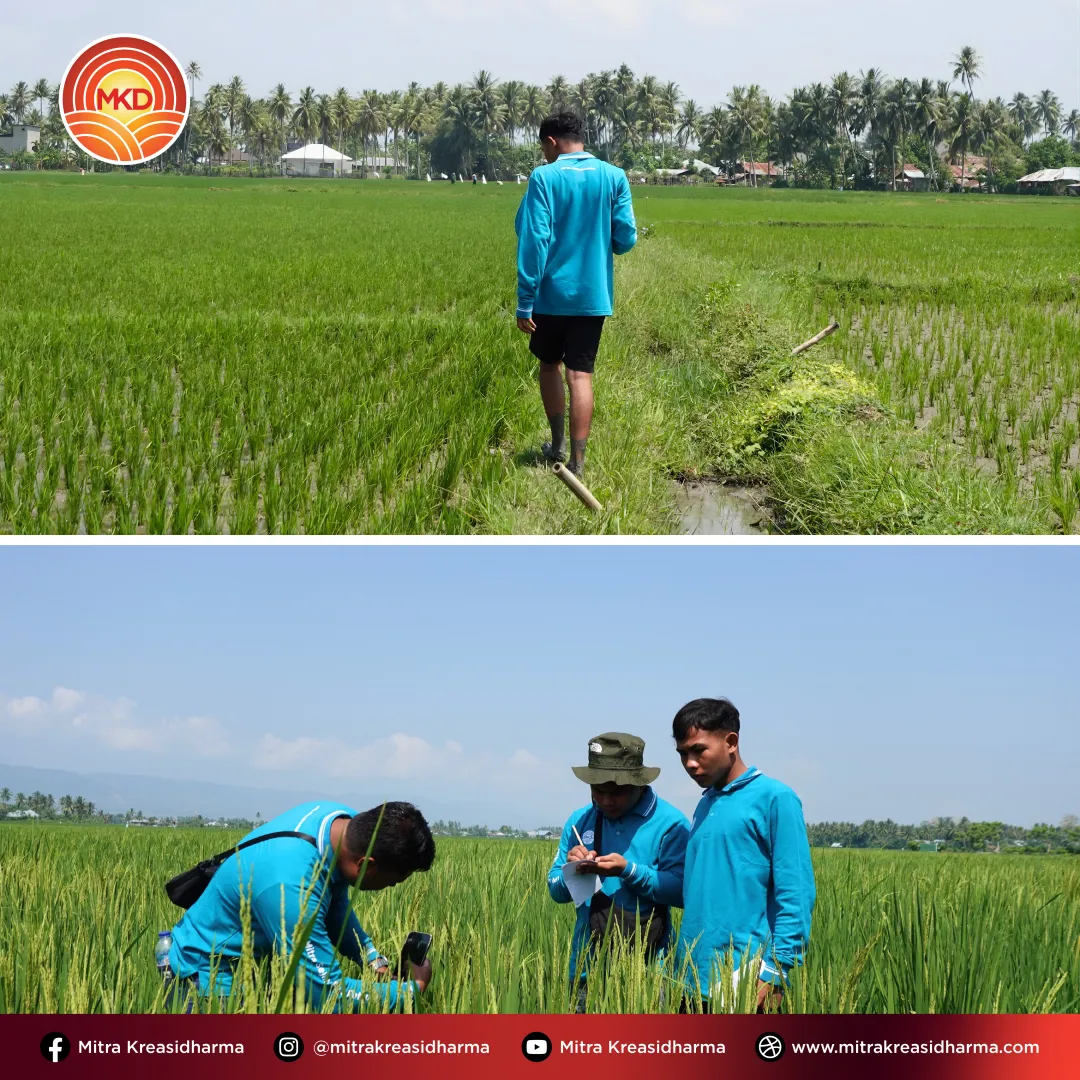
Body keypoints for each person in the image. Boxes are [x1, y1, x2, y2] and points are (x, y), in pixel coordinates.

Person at [163, 800, 435, 1011]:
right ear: (365, 865)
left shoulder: (342, 825)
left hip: (247, 965)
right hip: (207, 979)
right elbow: (325, 994)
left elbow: (335, 903)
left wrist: (375, 962)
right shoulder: (290, 887)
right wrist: (411, 990)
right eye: (395, 881)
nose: (394, 887)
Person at [514, 112, 637, 478]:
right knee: (580, 374)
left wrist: (525, 298)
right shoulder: (614, 176)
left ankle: (556, 446)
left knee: (549, 366)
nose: (544, 154)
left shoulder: (544, 177)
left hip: (550, 296)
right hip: (591, 296)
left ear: (551, 141)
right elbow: (626, 238)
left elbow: (533, 237)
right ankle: (578, 464)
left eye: (543, 147)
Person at [672, 698, 815, 1013]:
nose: (690, 763)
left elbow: (796, 893)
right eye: (683, 754)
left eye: (698, 750)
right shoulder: (706, 803)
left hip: (742, 980)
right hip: (690, 977)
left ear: (731, 742)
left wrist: (776, 972)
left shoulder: (775, 799)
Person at [547, 732, 689, 1011]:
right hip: (587, 972)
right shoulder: (580, 820)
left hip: (649, 974)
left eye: (616, 791)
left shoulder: (671, 825)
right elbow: (555, 889)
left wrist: (630, 871)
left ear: (639, 783)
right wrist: (573, 871)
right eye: (597, 790)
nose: (605, 800)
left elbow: (683, 891)